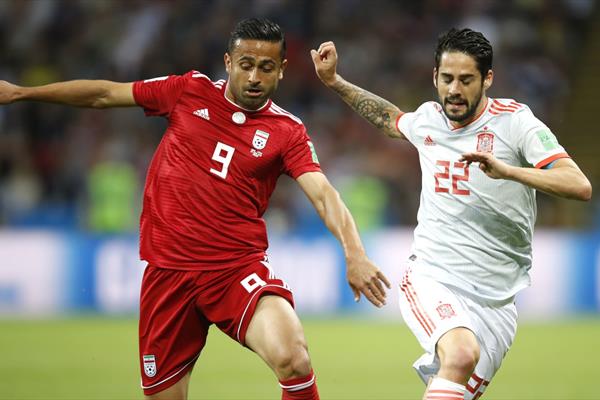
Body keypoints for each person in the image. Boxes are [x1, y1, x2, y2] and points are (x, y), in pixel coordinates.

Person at [0, 18, 391, 400]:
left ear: (282, 70)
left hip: (235, 269)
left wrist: (354, 253)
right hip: (168, 274)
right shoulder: (188, 91)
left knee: (294, 357)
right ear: (228, 62)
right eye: (246, 65)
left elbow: (324, 194)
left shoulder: (287, 131)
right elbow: (104, 94)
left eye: (266, 67)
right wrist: (20, 93)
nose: (254, 77)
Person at [311, 28, 592, 400]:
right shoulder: (428, 119)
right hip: (434, 275)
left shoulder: (516, 123)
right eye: (447, 79)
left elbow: (579, 185)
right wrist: (335, 82)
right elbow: (389, 119)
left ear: (487, 79)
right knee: (460, 354)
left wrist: (510, 171)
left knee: (450, 386)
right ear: (435, 77)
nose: (454, 90)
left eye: (466, 80)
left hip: (497, 302)